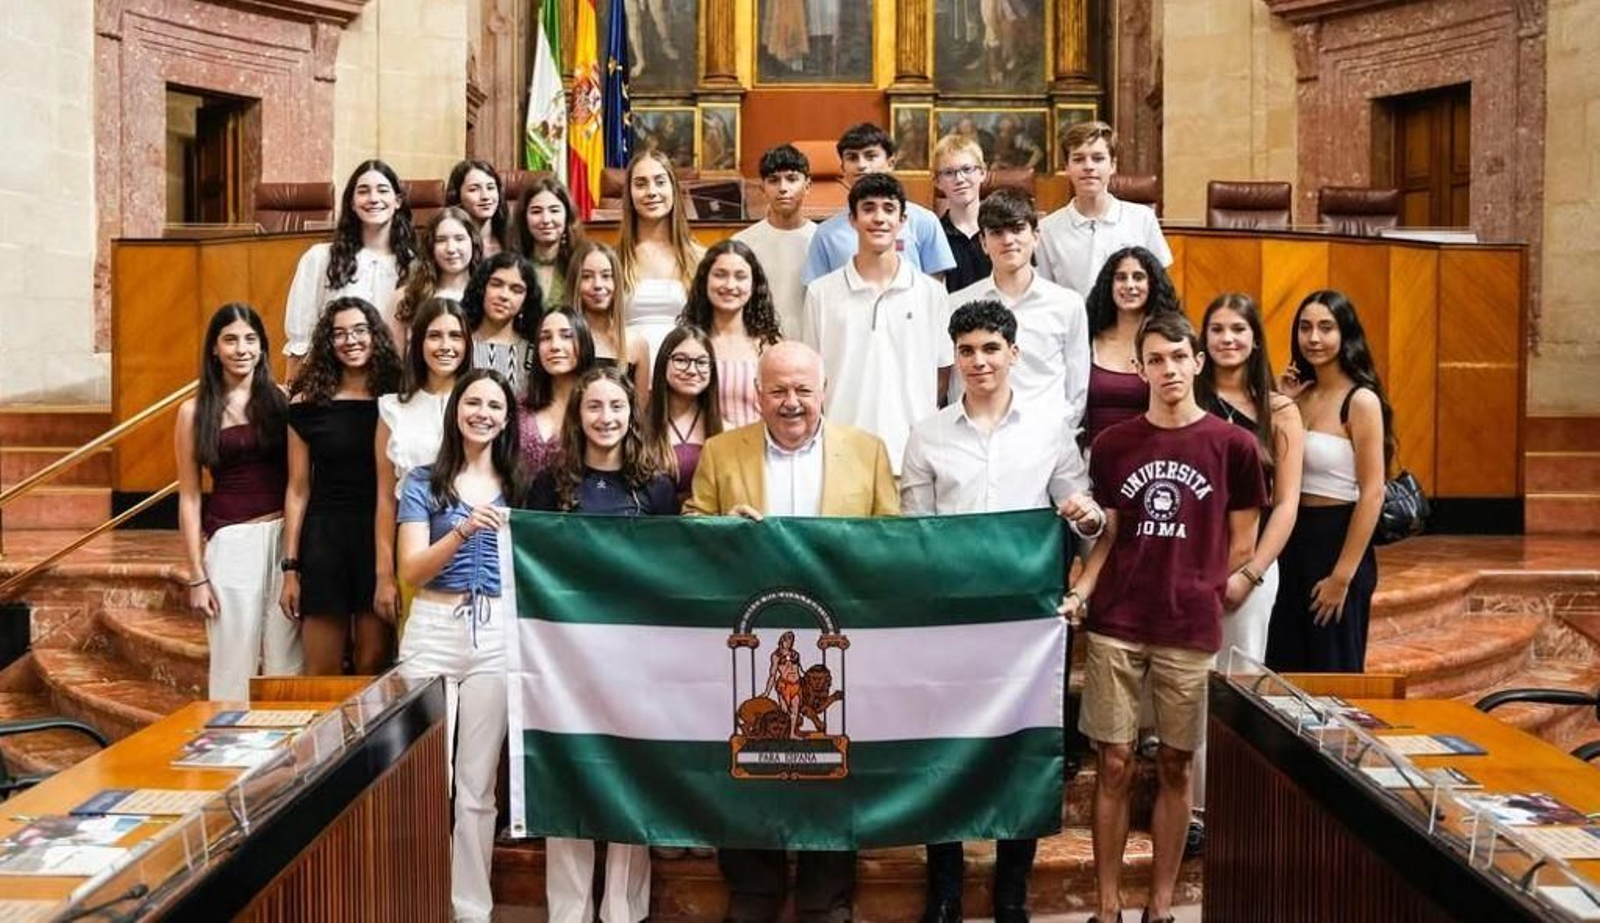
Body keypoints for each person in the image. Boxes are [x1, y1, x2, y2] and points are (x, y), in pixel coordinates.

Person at [901, 300, 1104, 923]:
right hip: (951, 620)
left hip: (1026, 626)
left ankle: (1012, 891)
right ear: (954, 358)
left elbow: (1084, 513)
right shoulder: (927, 434)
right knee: (944, 752)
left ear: (1013, 353)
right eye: (967, 351)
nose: (979, 361)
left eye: (991, 348)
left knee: (1024, 752)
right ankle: (945, 890)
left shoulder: (1049, 430)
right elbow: (915, 533)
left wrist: (1088, 519)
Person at [1060, 313, 1265, 923]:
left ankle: (1160, 905)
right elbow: (1112, 530)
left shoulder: (1234, 446)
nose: (1169, 369)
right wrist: (1086, 589)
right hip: (1119, 621)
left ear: (1198, 362)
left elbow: (1244, 540)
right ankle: (1105, 906)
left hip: (1187, 625)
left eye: (1179, 357)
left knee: (1176, 763)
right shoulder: (1117, 443)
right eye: (1156, 359)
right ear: (1139, 367)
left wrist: (1204, 588)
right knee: (1115, 763)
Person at [685, 341, 896, 923]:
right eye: (778, 389)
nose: (792, 402)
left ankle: (826, 895)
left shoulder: (868, 451)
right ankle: (753, 886)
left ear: (824, 390)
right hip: (749, 640)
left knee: (831, 769)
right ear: (757, 393)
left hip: (838, 643)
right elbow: (691, 524)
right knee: (752, 763)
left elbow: (893, 539)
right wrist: (723, 530)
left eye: (803, 389)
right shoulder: (722, 452)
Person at [395, 369, 521, 923]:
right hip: (432, 630)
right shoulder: (424, 481)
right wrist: (465, 530)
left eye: (495, 404)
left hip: (496, 634)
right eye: (473, 401)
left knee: (476, 788)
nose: (483, 412)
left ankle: (471, 910)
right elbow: (411, 569)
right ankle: (418, 902)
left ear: (507, 417)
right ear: (456, 410)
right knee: (426, 781)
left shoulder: (521, 483)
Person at [1188, 292, 1304, 853]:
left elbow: (1285, 504)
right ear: (1202, 340)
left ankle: (1230, 807)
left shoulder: (1280, 411)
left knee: (1238, 689)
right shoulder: (1188, 398)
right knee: (1187, 688)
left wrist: (1251, 573)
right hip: (1187, 568)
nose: (1227, 338)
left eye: (1238, 328)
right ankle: (1191, 811)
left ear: (1255, 338)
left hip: (1249, 573)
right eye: (1216, 329)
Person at [174, 303, 301, 701]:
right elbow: (190, 497)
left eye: (250, 339)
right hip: (232, 543)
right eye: (230, 339)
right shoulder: (193, 412)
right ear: (214, 349)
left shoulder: (283, 400)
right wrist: (196, 575)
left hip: (285, 538)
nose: (241, 348)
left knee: (287, 662)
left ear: (263, 347)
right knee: (234, 663)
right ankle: (228, 760)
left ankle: (290, 759)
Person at [1266, 290, 1392, 674]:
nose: (1314, 339)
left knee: (1332, 671)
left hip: (1337, 540)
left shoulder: (1360, 400)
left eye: (1326, 328)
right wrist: (1282, 403)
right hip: (1291, 539)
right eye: (1305, 328)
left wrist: (1342, 576)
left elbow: (1373, 493)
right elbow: (1274, 470)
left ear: (1346, 333)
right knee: (1285, 668)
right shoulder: (1300, 395)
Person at [281, 297, 403, 677]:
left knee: (372, 664)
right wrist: (290, 568)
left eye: (359, 330)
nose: (350, 340)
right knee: (322, 669)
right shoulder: (306, 405)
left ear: (375, 336)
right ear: (328, 342)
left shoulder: (398, 399)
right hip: (325, 539)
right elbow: (298, 489)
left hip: (380, 537)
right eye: (339, 334)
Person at [800, 172, 951, 475]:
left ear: (903, 220)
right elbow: (811, 377)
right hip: (841, 457)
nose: (879, 218)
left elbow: (942, 373)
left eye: (888, 208)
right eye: (868, 208)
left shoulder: (931, 292)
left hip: (912, 458)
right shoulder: (821, 293)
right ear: (852, 220)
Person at [947, 189, 1089, 429]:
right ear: (983, 242)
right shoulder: (957, 304)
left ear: (1035, 236)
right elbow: (956, 384)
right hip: (978, 436)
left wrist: (1059, 431)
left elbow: (1077, 388)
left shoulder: (1068, 304)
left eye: (1017, 229)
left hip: (1047, 438)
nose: (1008, 240)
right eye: (997, 232)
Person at [374, 298, 474, 627]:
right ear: (419, 342)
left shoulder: (481, 402)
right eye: (435, 336)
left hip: (473, 546)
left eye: (455, 336)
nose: (445, 346)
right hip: (414, 546)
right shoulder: (394, 408)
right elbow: (386, 499)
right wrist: (385, 575)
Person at [283, 159, 416, 376]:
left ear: (398, 200)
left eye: (382, 190)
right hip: (332, 382)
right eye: (363, 191)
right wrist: (293, 397)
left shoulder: (413, 266)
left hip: (393, 384)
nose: (373, 198)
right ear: (352, 203)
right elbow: (301, 340)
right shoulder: (320, 258)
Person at [801, 123, 956, 285]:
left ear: (890, 163)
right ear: (842, 169)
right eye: (852, 158)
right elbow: (818, 292)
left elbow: (934, 288)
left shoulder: (924, 220)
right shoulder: (825, 233)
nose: (861, 165)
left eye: (870, 156)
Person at [1035, 121, 1170, 298]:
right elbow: (1045, 294)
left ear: (1112, 165)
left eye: (1098, 158)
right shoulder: (1047, 229)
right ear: (1067, 168)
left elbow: (1161, 288)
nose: (1088, 166)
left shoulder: (1143, 218)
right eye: (1078, 159)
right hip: (1074, 324)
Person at [522, 365, 678, 515]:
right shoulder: (549, 484)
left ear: (631, 415)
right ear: (578, 415)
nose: (606, 418)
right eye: (594, 407)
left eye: (616, 406)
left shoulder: (658, 486)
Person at [1079, 246, 1183, 449]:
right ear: (1109, 285)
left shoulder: (1170, 343)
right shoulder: (1086, 340)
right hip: (1091, 460)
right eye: (1120, 278)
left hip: (1152, 458)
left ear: (1152, 284)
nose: (1129, 285)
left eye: (1138, 277)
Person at [679, 239, 782, 429]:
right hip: (703, 451)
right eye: (720, 275)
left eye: (740, 276)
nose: (729, 285)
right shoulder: (687, 343)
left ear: (754, 285)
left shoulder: (771, 347)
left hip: (757, 451)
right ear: (705, 281)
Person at [617, 150, 704, 367]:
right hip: (628, 380)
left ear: (673, 189)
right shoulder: (614, 260)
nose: (651, 191)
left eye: (659, 182)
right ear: (629, 194)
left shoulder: (701, 258)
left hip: (685, 376)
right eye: (640, 184)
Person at [734, 144, 816, 337]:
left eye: (792, 179)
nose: (783, 188)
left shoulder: (821, 241)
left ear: (808, 186)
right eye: (773, 180)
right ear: (762, 187)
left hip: (809, 349)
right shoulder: (741, 243)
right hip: (756, 347)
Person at [644, 325, 723, 503]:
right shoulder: (640, 427)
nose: (692, 370)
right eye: (681, 360)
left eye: (702, 362)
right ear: (664, 362)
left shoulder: (727, 429)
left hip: (708, 525)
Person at [520, 306, 597, 482]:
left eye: (566, 336)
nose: (555, 346)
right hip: (522, 506)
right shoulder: (521, 405)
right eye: (546, 338)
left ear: (584, 341)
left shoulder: (600, 405)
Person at [390, 206, 481, 349]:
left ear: (473, 243)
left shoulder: (487, 297)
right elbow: (392, 361)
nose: (451, 248)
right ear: (431, 247)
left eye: (459, 239)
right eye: (441, 240)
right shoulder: (406, 297)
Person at [571, 240, 652, 400]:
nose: (598, 285)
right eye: (586, 276)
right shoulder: (564, 340)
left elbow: (640, 414)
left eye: (606, 276)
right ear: (575, 283)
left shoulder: (636, 344)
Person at [463, 252, 541, 394]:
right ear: (482, 289)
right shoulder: (460, 343)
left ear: (526, 301)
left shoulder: (533, 352)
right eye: (496, 284)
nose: (504, 295)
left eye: (516, 290)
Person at [511, 176, 584, 308]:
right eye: (536, 211)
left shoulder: (582, 263)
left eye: (554, 210)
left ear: (567, 216)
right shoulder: (510, 267)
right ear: (524, 218)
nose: (546, 219)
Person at [933, 133, 991, 293]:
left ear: (983, 173)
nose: (959, 179)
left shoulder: (1000, 231)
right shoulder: (935, 236)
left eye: (967, 169)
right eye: (949, 173)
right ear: (937, 182)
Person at [445, 158, 506, 257]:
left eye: (490, 188)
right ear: (457, 195)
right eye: (474, 189)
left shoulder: (514, 238)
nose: (485, 196)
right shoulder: (449, 245)